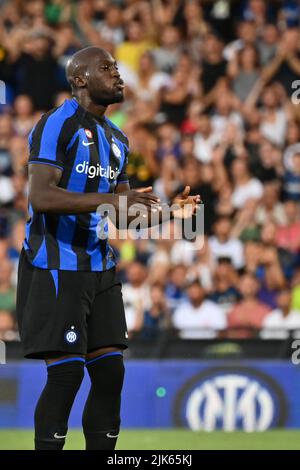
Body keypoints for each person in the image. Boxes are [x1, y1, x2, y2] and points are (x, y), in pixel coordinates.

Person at [16, 46, 200, 451]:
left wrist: (171, 213)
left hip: (100, 268)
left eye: (117, 68)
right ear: (80, 79)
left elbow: (123, 214)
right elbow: (43, 196)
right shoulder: (55, 124)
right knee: (66, 376)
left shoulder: (117, 139)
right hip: (55, 266)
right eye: (106, 68)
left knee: (111, 373)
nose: (118, 75)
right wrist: (114, 203)